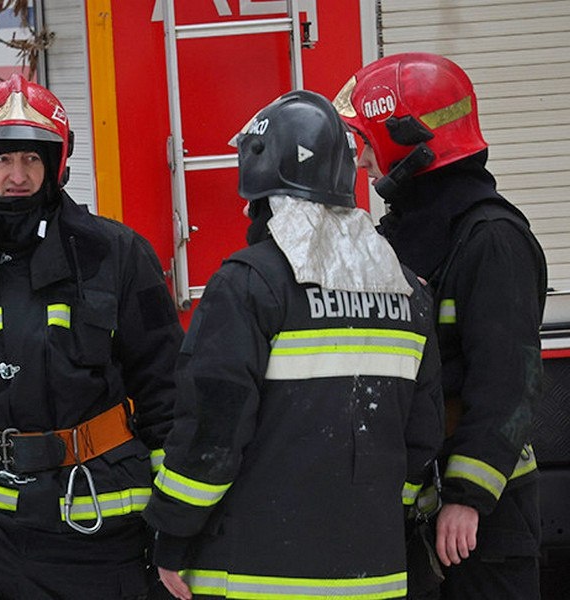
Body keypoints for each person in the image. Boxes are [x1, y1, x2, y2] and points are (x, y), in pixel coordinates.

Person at [141, 89, 445, 600]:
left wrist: (172, 532)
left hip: (259, 576)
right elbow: (422, 434)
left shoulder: (248, 284)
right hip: (374, 574)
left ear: (257, 178)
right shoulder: (406, 290)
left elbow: (212, 431)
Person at [0, 73, 184, 599]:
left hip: (106, 525)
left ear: (55, 164)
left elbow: (167, 393)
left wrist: (174, 521)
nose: (18, 175)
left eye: (32, 158)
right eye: (3, 160)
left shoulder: (117, 255)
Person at [334, 52, 547, 599]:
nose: (363, 160)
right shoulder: (403, 234)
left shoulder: (492, 239)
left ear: (408, 142)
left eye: (369, 142)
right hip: (415, 501)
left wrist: (467, 497)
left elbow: (508, 383)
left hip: (481, 520)